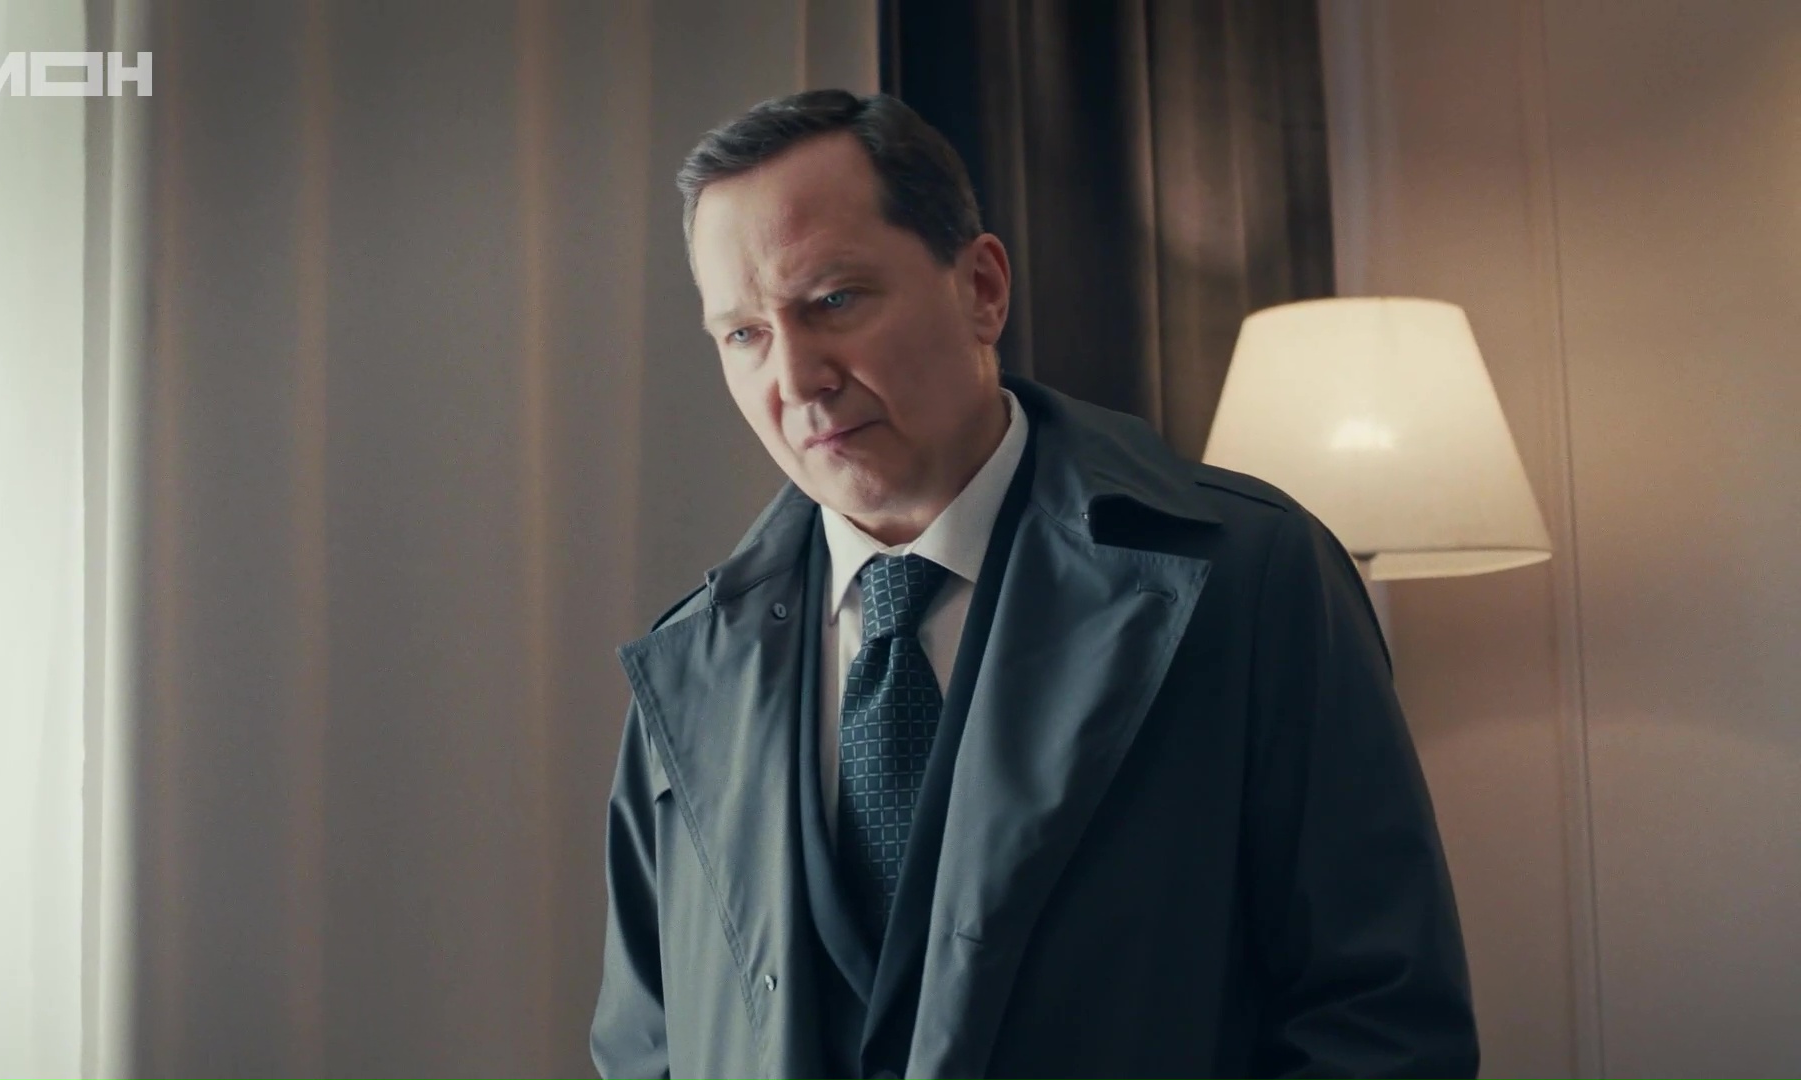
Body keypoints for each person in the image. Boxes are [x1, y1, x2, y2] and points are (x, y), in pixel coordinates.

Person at [590, 88, 1480, 1080]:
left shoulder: (1254, 579)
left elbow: (1380, 1026)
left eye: (833, 300)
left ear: (981, 288)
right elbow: (644, 1050)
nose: (796, 379)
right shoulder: (691, 666)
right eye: (743, 334)